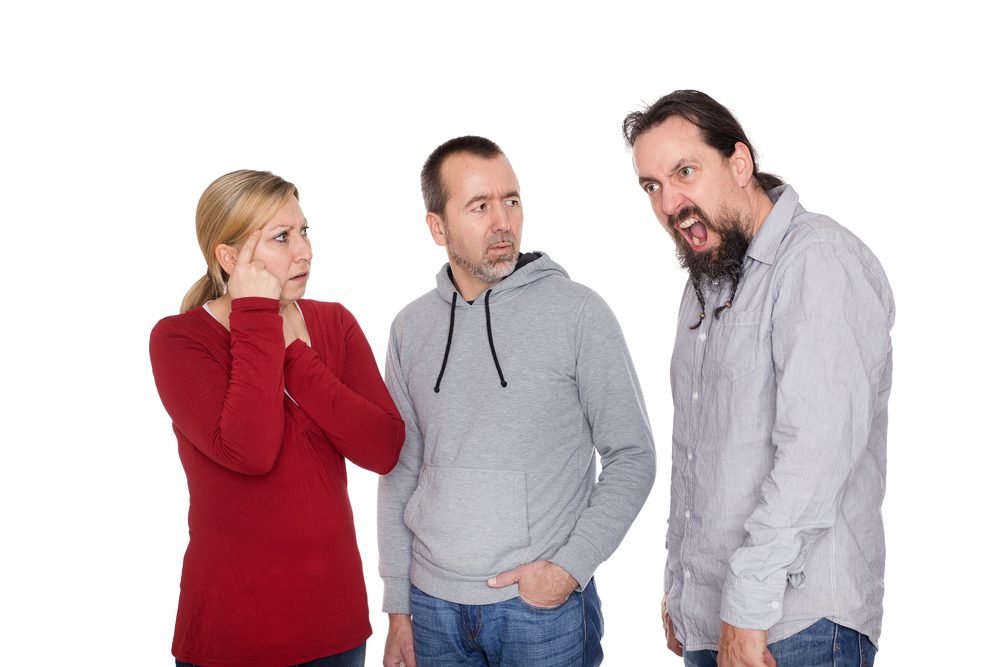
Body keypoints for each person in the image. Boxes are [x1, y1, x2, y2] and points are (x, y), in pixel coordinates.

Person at [623, 91, 894, 667]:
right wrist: (682, 586)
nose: (670, 204)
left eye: (685, 172)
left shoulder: (817, 259)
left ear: (740, 163)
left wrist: (747, 604)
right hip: (717, 620)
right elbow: (700, 453)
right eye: (651, 186)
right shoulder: (708, 281)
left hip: (794, 624)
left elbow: (814, 454)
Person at [377, 136, 656, 667]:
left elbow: (633, 456)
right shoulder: (410, 327)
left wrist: (569, 569)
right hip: (431, 605)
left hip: (540, 609)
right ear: (437, 227)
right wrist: (398, 604)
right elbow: (401, 469)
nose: (502, 222)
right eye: (480, 206)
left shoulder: (579, 313)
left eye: (511, 200)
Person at [149, 170, 405, 667]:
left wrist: (297, 356)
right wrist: (256, 318)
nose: (304, 251)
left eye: (304, 231)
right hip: (231, 632)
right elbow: (251, 451)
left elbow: (384, 449)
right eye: (282, 237)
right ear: (229, 258)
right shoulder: (178, 340)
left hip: (335, 626)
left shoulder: (334, 322)